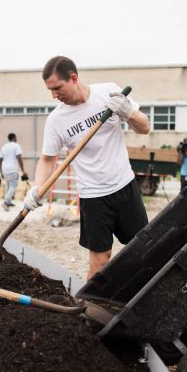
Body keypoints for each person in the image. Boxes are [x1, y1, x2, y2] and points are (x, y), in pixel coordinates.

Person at [23, 56, 150, 280]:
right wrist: (37, 188)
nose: (54, 95)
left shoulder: (109, 93)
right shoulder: (57, 119)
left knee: (144, 251)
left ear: (73, 78)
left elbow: (144, 128)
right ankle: (87, 308)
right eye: (50, 90)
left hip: (125, 186)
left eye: (57, 88)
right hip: (93, 196)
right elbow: (47, 159)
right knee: (100, 262)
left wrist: (128, 111)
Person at [0, 133, 28, 211]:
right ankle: (6, 201)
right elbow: (19, 157)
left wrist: (1, 172)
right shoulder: (16, 146)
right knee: (13, 186)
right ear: (14, 138)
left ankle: (8, 201)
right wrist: (23, 170)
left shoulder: (4, 147)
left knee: (9, 185)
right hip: (12, 169)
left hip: (5, 169)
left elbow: (0, 160)